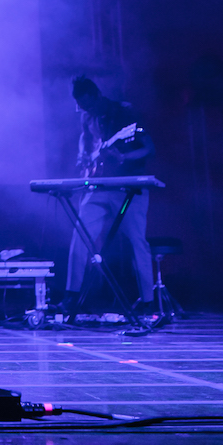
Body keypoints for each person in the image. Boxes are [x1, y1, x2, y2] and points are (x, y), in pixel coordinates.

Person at [63, 76, 157, 316]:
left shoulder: (124, 112)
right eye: (82, 107)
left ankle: (148, 301)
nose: (87, 111)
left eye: (89, 105)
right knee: (80, 235)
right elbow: (85, 139)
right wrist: (83, 155)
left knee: (137, 241)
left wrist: (124, 157)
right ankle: (71, 296)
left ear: (97, 95)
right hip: (98, 185)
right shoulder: (87, 116)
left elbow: (148, 148)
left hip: (127, 185)